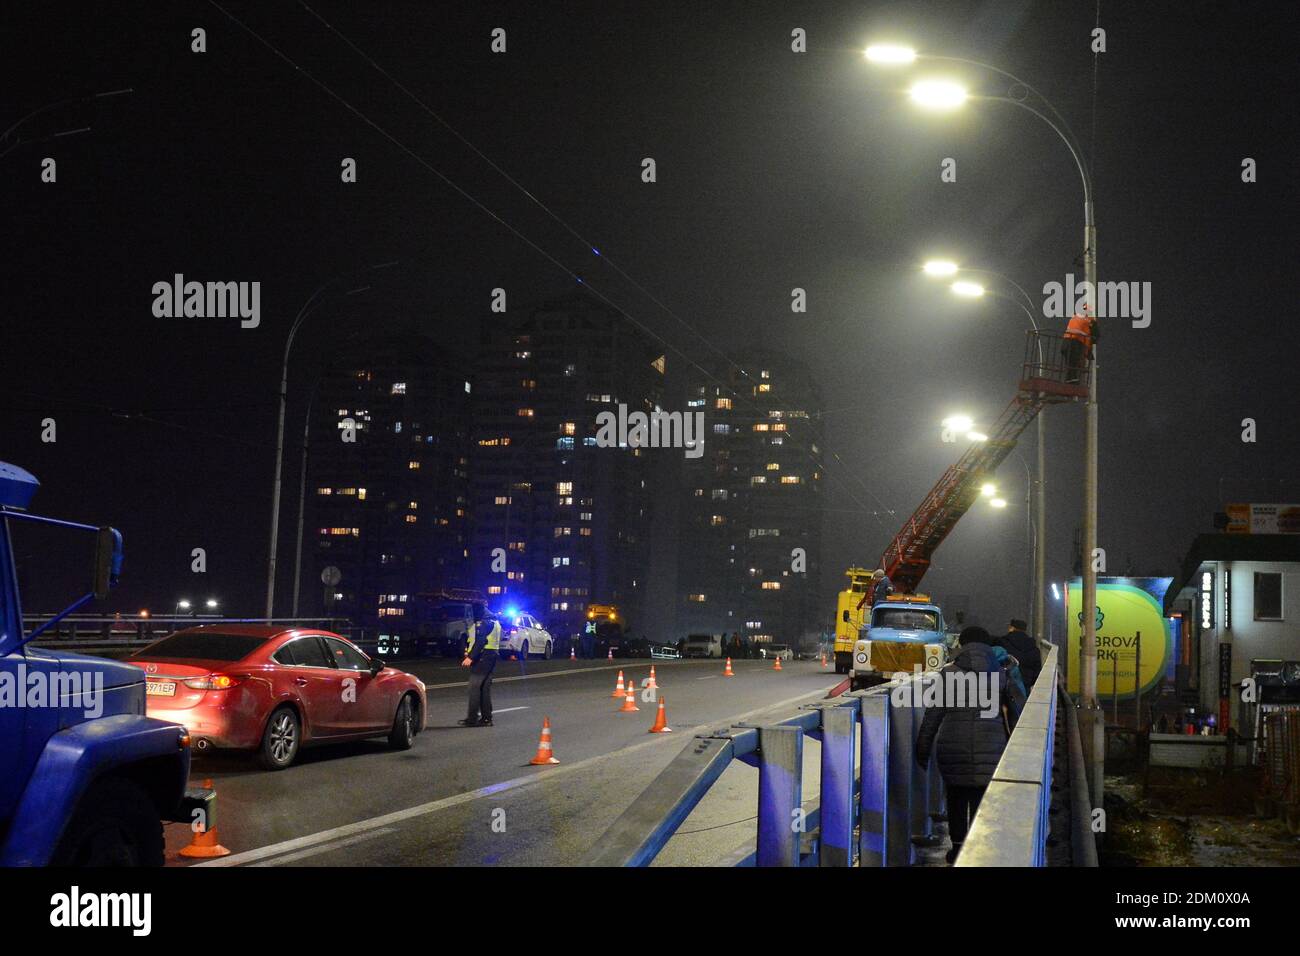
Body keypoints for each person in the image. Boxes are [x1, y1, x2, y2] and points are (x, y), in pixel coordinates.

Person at [915, 626, 1013, 864]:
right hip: (992, 746)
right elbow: (1015, 714)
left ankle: (957, 847)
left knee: (956, 796)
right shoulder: (1000, 674)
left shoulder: (948, 673)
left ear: (962, 645)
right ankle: (977, 847)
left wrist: (922, 749)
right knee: (981, 797)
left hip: (952, 746)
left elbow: (933, 715)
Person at [459, 606, 501, 727]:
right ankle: (486, 718)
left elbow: (480, 641)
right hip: (491, 656)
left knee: (474, 687)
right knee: (484, 688)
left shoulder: (483, 622)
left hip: (483, 657)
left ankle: (472, 719)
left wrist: (470, 657)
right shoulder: (495, 622)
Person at [988, 618, 1042, 689]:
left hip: (1007, 685)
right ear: (1024, 630)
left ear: (1012, 628)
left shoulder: (1001, 643)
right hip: (1025, 685)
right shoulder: (1034, 648)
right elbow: (1036, 672)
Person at [1061, 310, 1097, 384]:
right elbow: (1088, 340)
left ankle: (1070, 379)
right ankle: (1072, 379)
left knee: (1070, 363)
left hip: (1065, 343)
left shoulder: (1074, 317)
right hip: (1074, 344)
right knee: (1074, 362)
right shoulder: (1089, 322)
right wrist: (1087, 354)